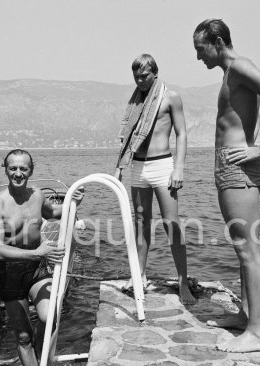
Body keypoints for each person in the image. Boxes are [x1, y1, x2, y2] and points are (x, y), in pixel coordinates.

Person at [193, 19, 260, 352]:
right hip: (229, 165)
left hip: (239, 168)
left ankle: (258, 333)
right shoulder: (230, 72)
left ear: (217, 41)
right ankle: (246, 316)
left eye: (200, 49)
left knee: (249, 249)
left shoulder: (239, 67)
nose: (198, 57)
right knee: (241, 246)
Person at [0, 149, 84, 365]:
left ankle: (40, 358)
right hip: (10, 272)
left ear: (31, 169)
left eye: (23, 168)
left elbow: (54, 213)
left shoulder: (37, 195)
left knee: (49, 318)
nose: (18, 173)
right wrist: (37, 253)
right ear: (5, 169)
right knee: (23, 336)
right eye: (13, 168)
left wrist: (73, 200)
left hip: (37, 268)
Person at [114, 54, 196, 305]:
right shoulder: (135, 102)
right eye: (136, 76)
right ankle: (139, 276)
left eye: (145, 75)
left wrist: (179, 169)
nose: (140, 80)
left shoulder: (170, 97)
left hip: (162, 166)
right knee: (141, 224)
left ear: (155, 74)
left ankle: (183, 282)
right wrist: (118, 166)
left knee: (172, 223)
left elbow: (182, 134)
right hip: (137, 167)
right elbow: (128, 137)